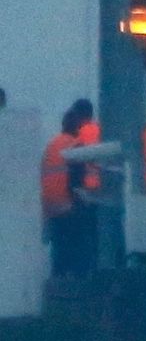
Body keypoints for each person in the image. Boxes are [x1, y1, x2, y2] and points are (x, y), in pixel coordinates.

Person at [42, 106, 98, 279]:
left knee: (59, 246)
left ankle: (57, 278)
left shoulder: (51, 145)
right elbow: (76, 181)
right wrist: (85, 200)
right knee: (79, 242)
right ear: (76, 128)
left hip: (50, 206)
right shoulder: (75, 145)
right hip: (67, 205)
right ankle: (78, 279)